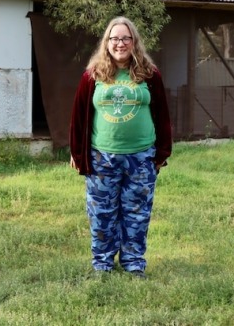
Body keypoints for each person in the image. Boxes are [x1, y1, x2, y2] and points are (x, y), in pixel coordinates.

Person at [69, 16, 172, 278]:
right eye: (114, 38)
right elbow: (79, 115)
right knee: (102, 213)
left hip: (141, 157)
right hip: (102, 156)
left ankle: (133, 262)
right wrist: (77, 153)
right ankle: (102, 263)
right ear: (107, 43)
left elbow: (162, 115)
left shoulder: (150, 74)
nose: (120, 43)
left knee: (136, 213)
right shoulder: (92, 75)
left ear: (134, 42)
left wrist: (161, 154)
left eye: (126, 38)